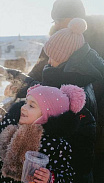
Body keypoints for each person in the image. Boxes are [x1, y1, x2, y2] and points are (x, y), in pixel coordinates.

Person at [1, 17, 102, 183]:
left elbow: (78, 158)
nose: (48, 61)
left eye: (53, 57)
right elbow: (41, 88)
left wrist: (53, 177)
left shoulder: (75, 89)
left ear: (66, 59)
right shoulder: (67, 77)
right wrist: (19, 85)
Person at [27, 2, 104, 181]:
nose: (57, 24)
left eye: (61, 19)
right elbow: (40, 71)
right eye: (54, 20)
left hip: (91, 131)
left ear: (78, 18)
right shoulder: (57, 40)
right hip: (73, 134)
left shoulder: (98, 37)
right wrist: (22, 87)